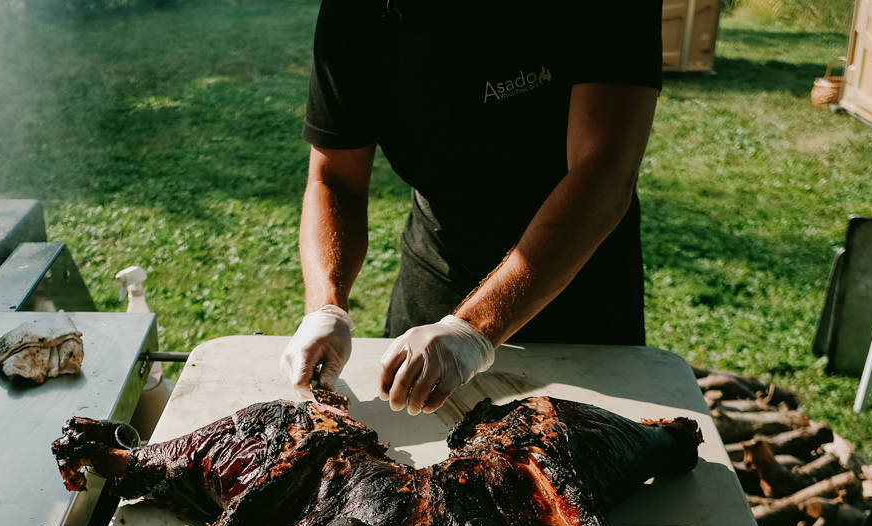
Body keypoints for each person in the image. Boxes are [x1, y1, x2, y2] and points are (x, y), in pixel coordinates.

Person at [280, 0, 663, 415]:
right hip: (436, 281)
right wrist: (326, 306)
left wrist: (474, 328)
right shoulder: (356, 10)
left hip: (581, 296)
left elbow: (604, 174)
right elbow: (334, 179)